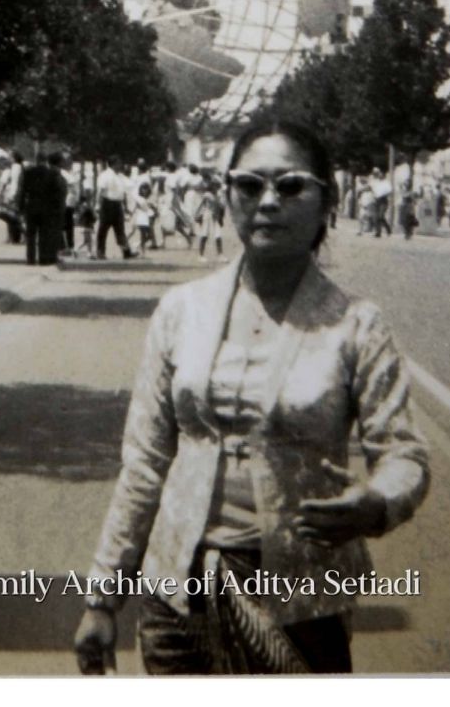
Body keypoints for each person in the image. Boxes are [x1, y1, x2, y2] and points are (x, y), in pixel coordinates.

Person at [74, 118, 429, 676]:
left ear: (324, 203)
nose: (269, 201)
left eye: (291, 186)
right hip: (176, 594)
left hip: (304, 596)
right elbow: (143, 464)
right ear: (228, 197)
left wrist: (377, 504)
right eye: (249, 185)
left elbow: (403, 454)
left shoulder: (357, 325)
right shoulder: (181, 311)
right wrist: (102, 597)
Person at [21, 153, 68, 266]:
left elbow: (22, 191)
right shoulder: (51, 173)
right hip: (47, 208)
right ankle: (44, 259)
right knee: (44, 234)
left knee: (30, 235)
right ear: (45, 161)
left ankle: (30, 259)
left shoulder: (28, 172)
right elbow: (57, 191)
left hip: (31, 206)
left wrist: (21, 207)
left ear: (36, 160)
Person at [95, 157, 136, 261]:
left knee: (120, 229)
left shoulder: (120, 176)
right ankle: (100, 252)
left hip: (118, 204)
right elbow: (100, 191)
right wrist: (97, 205)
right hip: (107, 203)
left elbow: (125, 190)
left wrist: (126, 206)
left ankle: (126, 251)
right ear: (113, 164)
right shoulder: (104, 175)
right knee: (103, 228)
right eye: (119, 163)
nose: (121, 166)